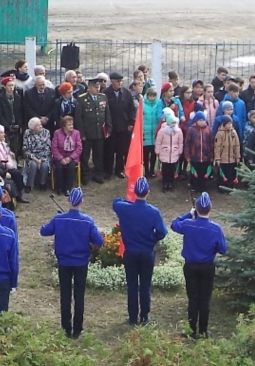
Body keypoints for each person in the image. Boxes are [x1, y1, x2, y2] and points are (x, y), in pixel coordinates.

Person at [40, 188, 103, 339]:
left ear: (68, 200)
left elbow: (44, 231)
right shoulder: (87, 221)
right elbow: (99, 241)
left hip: (64, 262)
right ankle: (78, 329)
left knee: (65, 295)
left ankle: (66, 328)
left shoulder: (59, 219)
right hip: (81, 263)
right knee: (79, 295)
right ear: (82, 201)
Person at [170, 192, 227, 339]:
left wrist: (188, 215)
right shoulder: (216, 228)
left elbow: (174, 224)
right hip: (207, 267)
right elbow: (223, 249)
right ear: (210, 208)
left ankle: (190, 329)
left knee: (193, 298)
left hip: (190, 266)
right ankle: (203, 331)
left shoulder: (188, 224)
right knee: (205, 300)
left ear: (196, 207)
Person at [112, 178, 168, 326]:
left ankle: (132, 317)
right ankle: (144, 316)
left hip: (130, 252)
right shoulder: (154, 212)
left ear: (134, 192)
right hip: (147, 252)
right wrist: (152, 239)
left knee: (131, 285)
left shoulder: (124, 208)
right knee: (145, 285)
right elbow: (162, 232)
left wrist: (129, 200)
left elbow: (115, 202)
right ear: (148, 192)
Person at [74, 76, 112, 184]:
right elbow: (78, 118)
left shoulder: (103, 97)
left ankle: (98, 174)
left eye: (98, 86)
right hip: (87, 132)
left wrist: (108, 128)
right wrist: (82, 133)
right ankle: (85, 175)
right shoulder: (82, 99)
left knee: (98, 155)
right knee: (85, 155)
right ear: (89, 87)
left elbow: (107, 114)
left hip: (99, 132)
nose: (98, 88)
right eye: (95, 87)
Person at [103, 72, 136, 180]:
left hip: (123, 126)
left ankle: (119, 169)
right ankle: (108, 170)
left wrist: (131, 123)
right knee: (109, 150)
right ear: (112, 81)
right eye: (118, 81)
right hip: (111, 127)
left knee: (121, 149)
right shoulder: (105, 94)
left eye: (121, 81)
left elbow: (131, 109)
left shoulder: (126, 93)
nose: (120, 83)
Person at [0, 125, 29, 203]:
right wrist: (9, 163)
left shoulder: (1, 142)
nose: (4, 134)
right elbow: (0, 159)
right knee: (16, 173)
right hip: (2, 167)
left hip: (7, 164)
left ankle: (19, 192)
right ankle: (19, 195)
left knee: (17, 172)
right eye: (2, 133)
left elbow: (7, 153)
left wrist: (9, 157)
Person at [51, 116, 83, 197]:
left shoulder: (76, 133)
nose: (71, 126)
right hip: (59, 156)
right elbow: (54, 148)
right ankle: (59, 188)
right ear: (64, 126)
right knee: (59, 167)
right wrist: (61, 158)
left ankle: (68, 188)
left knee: (71, 167)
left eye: (72, 124)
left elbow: (79, 148)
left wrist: (70, 158)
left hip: (72, 157)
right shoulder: (57, 133)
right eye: (69, 125)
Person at [0, 76, 24, 159]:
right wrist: (7, 126)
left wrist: (19, 124)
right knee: (7, 146)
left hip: (16, 126)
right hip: (6, 127)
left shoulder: (18, 97)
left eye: (12, 85)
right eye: (9, 85)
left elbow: (20, 112)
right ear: (4, 86)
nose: (11, 88)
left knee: (16, 147)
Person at [185, 112, 214, 193]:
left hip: (205, 156)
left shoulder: (208, 130)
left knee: (203, 172)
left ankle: (203, 186)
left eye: (203, 120)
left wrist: (212, 155)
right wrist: (187, 155)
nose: (202, 122)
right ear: (196, 121)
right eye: (200, 120)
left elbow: (211, 143)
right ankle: (195, 186)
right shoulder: (191, 130)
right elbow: (187, 143)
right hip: (195, 156)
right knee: (195, 172)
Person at [155, 115, 184, 192]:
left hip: (174, 153)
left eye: (174, 123)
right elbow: (158, 142)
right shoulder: (162, 131)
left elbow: (180, 142)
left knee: (171, 169)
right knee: (165, 169)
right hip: (164, 153)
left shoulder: (178, 131)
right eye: (171, 123)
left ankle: (171, 183)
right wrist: (157, 151)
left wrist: (179, 151)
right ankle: (165, 182)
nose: (173, 125)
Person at [23, 117, 52, 193]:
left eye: (40, 124)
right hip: (32, 156)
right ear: (33, 128)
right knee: (33, 165)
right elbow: (26, 149)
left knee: (44, 165)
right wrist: (35, 159)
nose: (41, 126)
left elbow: (48, 147)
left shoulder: (46, 132)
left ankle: (43, 183)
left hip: (44, 156)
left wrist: (41, 159)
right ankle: (29, 185)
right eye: (38, 125)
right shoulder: (27, 133)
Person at [213, 115, 240, 192]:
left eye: (231, 123)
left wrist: (237, 156)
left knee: (231, 173)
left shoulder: (234, 133)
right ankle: (221, 188)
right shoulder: (219, 133)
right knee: (222, 174)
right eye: (228, 123)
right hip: (223, 159)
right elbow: (217, 146)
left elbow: (237, 145)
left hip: (232, 158)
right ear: (224, 124)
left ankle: (230, 187)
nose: (230, 125)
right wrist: (217, 158)